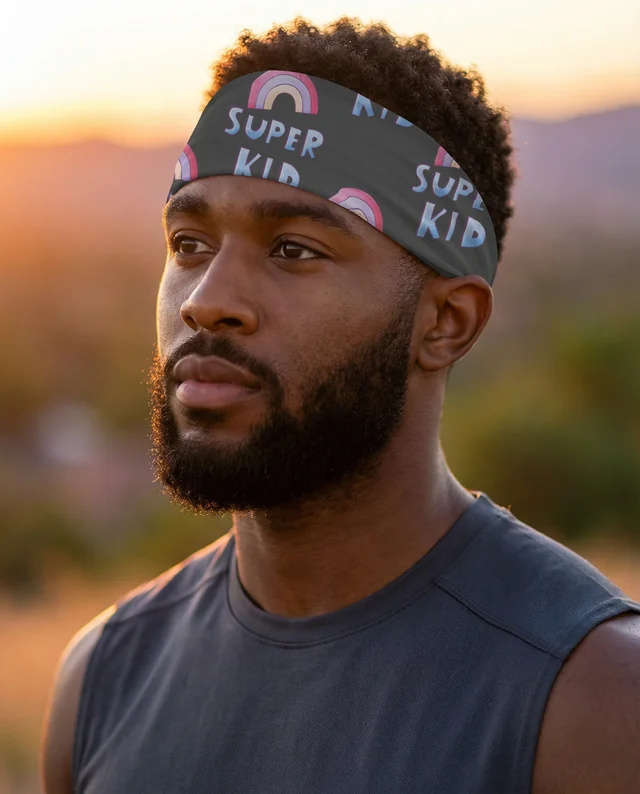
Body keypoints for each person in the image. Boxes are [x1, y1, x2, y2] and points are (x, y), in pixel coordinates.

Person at [42, 17, 640, 794]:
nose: (208, 301)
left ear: (445, 322)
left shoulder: (591, 698)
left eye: (294, 250)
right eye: (189, 244)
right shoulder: (102, 678)